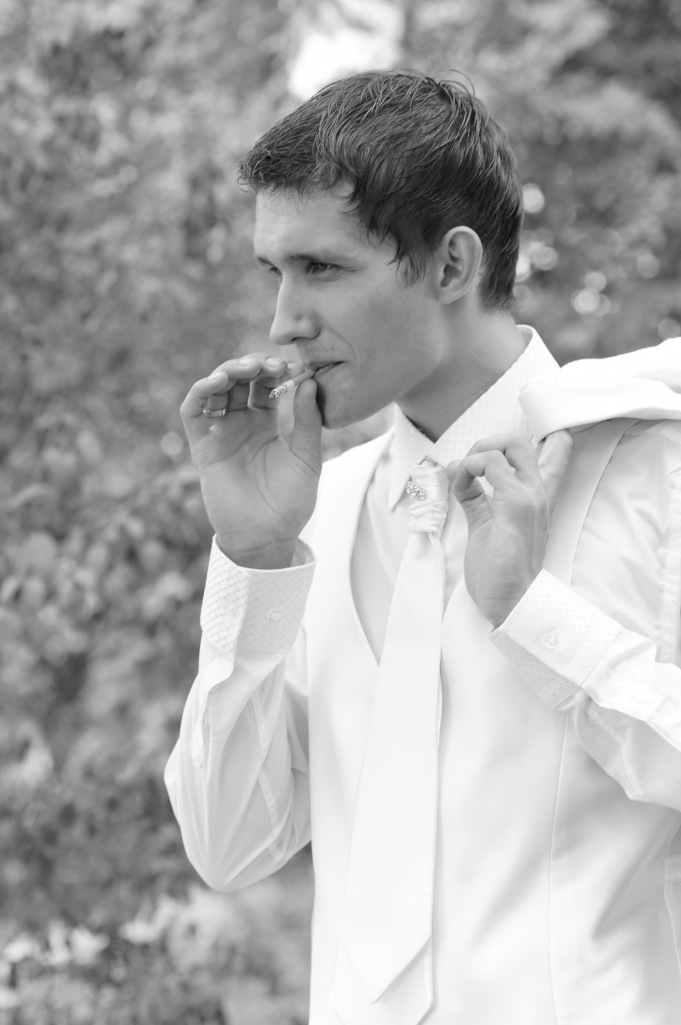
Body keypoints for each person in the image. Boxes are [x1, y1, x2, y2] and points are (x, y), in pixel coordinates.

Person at [164, 69, 681, 1025]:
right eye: (273, 272)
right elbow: (228, 846)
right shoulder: (317, 512)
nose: (283, 321)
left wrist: (535, 618)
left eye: (321, 268)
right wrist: (254, 559)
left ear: (450, 266)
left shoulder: (656, 474)